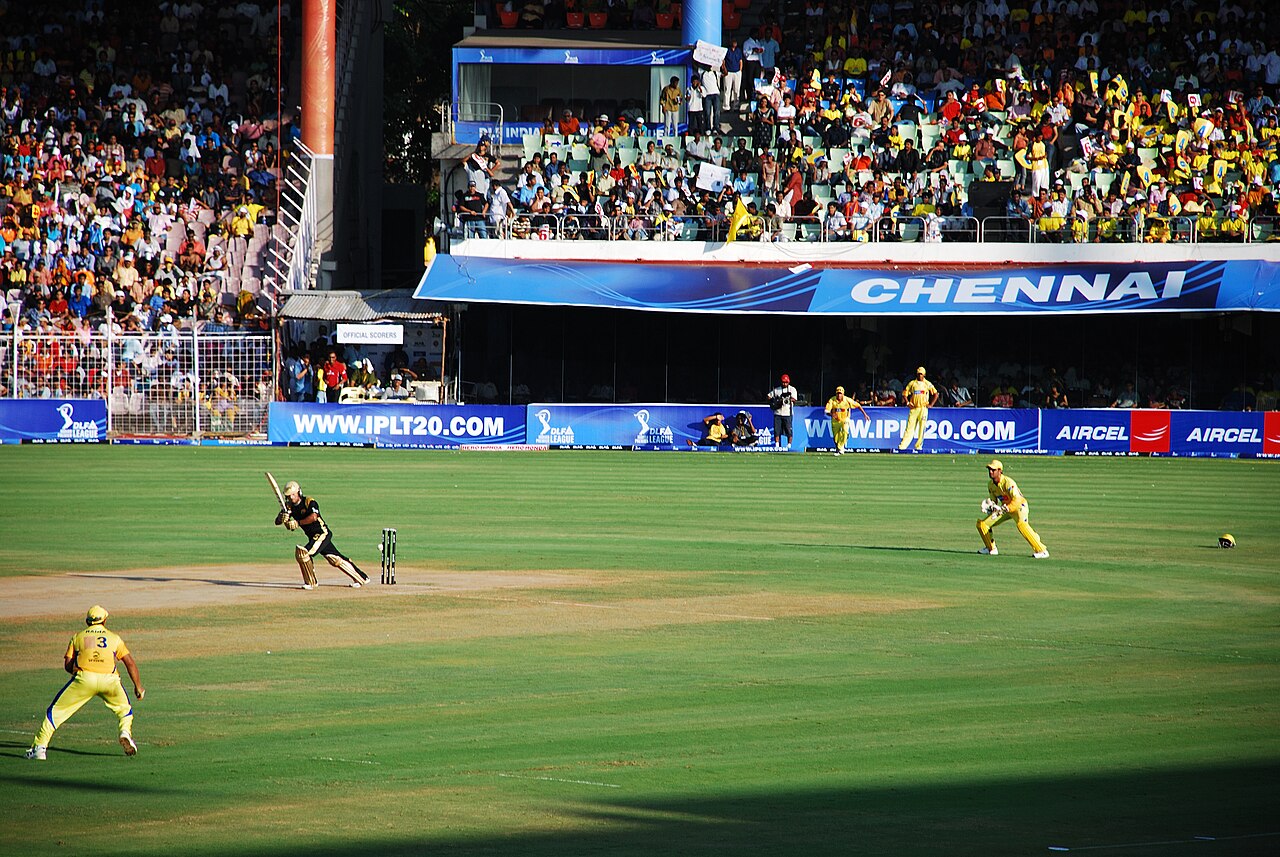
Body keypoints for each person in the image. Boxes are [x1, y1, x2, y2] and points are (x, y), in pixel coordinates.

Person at [26, 605, 146, 761]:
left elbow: (68, 665)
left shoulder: (78, 637)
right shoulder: (114, 638)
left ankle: (40, 747)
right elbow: (130, 663)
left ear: (87, 621)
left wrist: (79, 669)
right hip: (110, 680)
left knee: (55, 712)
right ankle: (125, 732)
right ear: (105, 620)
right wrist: (138, 686)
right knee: (125, 711)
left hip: (85, 678)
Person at [274, 480, 370, 589]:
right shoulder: (289, 507)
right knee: (335, 558)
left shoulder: (309, 502)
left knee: (304, 554)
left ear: (299, 492)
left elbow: (314, 516)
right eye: (289, 496)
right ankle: (362, 578)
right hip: (313, 536)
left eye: (293, 494)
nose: (291, 498)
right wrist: (282, 518)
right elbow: (278, 522)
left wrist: (297, 523)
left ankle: (311, 582)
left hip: (322, 533)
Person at [977, 459, 1050, 559]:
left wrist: (1007, 508)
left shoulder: (1008, 482)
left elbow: (1017, 499)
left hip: (1019, 506)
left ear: (1000, 471)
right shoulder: (990, 485)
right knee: (983, 524)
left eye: (993, 470)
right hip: (1004, 509)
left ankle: (1042, 550)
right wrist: (990, 507)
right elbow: (994, 502)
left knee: (1022, 525)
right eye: (989, 469)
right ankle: (991, 548)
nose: (990, 472)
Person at [898, 366, 939, 451]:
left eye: (921, 374)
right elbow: (905, 393)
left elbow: (935, 394)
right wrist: (908, 402)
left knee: (922, 428)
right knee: (909, 428)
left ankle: (918, 446)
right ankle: (902, 446)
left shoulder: (927, 384)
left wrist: (931, 404)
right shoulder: (912, 383)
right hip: (914, 408)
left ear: (924, 375)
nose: (920, 376)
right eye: (918, 374)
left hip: (923, 408)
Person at [824, 385, 869, 455]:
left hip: (845, 419)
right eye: (838, 393)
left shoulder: (847, 400)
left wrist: (865, 415)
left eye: (840, 393)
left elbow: (858, 405)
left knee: (845, 431)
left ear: (843, 394)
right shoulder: (832, 400)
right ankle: (839, 448)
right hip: (835, 420)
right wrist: (831, 414)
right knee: (836, 436)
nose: (839, 395)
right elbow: (826, 411)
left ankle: (840, 448)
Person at [767, 372, 799, 448]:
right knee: (777, 430)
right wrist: (776, 400)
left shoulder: (792, 389)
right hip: (778, 412)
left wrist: (787, 399)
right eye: (783, 382)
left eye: (786, 382)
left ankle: (789, 445)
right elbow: (769, 396)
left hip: (787, 412)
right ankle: (777, 444)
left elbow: (794, 399)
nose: (784, 384)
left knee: (788, 430)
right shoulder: (777, 390)